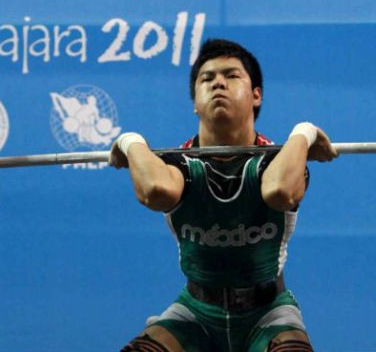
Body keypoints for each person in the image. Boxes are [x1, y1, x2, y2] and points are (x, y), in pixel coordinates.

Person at [109, 39, 337, 352]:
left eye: (231, 75)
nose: (218, 82)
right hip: (194, 315)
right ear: (195, 103)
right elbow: (155, 191)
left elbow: (280, 191)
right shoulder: (179, 163)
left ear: (256, 95)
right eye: (207, 78)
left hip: (268, 315)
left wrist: (303, 131)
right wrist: (130, 140)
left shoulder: (278, 161)